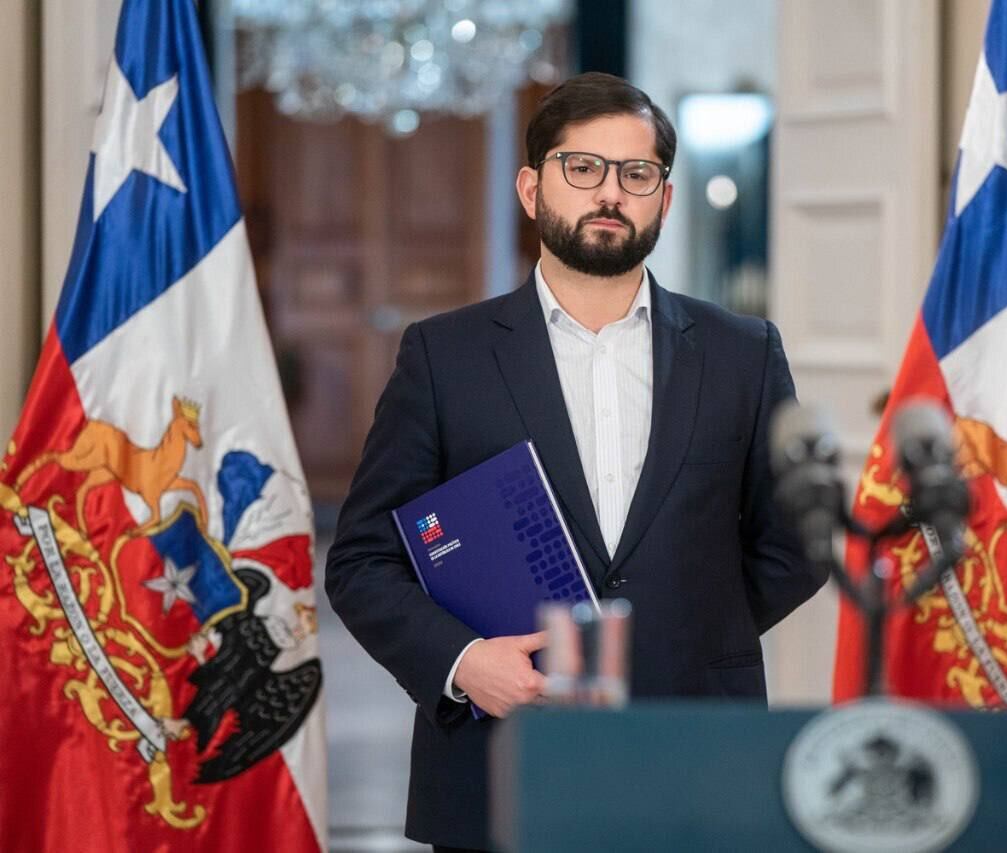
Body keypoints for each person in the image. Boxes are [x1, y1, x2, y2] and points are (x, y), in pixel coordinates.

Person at [325, 71, 826, 852]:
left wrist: (683, 632)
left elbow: (795, 543)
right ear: (532, 188)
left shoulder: (743, 353)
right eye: (582, 168)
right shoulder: (443, 356)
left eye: (637, 174)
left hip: (696, 753)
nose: (610, 193)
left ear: (663, 196)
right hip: (500, 754)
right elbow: (360, 559)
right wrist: (462, 661)